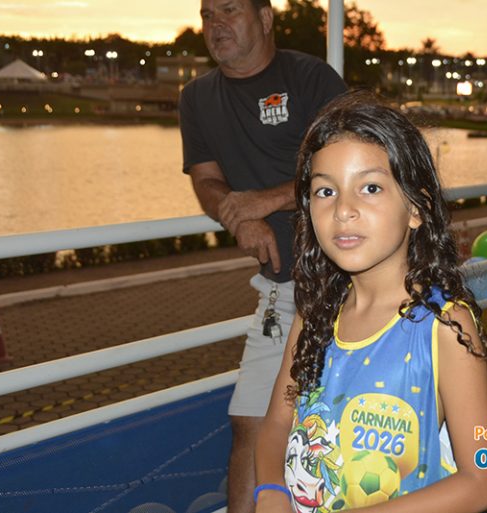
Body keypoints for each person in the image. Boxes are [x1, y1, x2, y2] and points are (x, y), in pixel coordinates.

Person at [254, 92, 487, 513]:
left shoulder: (444, 327)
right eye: (325, 191)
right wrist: (271, 492)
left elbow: (482, 481)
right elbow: (276, 424)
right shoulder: (315, 315)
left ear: (416, 208)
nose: (343, 210)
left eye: (370, 188)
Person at [178, 1, 346, 511]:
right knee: (250, 423)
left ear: (266, 18)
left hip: (351, 283)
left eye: (229, 10)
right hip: (281, 290)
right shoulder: (196, 97)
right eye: (207, 15)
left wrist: (265, 200)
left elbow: (353, 166)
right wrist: (239, 218)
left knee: (345, 423)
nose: (215, 24)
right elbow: (207, 180)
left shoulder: (312, 79)